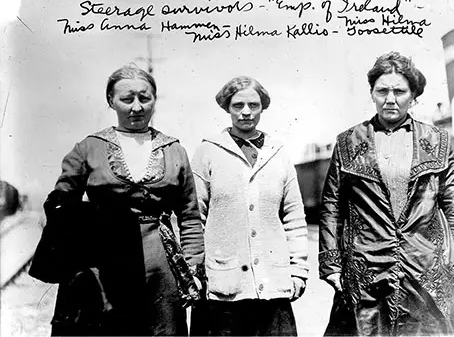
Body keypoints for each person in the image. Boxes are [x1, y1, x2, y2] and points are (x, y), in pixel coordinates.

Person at [29, 65, 205, 336]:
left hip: (160, 264)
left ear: (155, 101)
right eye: (127, 99)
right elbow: (59, 207)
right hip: (102, 261)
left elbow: (190, 215)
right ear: (111, 101)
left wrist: (192, 266)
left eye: (144, 98)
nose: (137, 107)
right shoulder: (89, 147)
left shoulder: (174, 150)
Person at [319, 52, 454, 336]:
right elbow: (332, 206)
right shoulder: (347, 142)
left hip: (425, 267)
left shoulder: (437, 141)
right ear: (372, 94)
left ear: (413, 95)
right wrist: (331, 263)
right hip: (366, 268)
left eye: (400, 91)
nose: (390, 99)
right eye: (382, 91)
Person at [190, 76, 309, 336]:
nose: (246, 112)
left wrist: (298, 270)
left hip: (272, 287)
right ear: (226, 108)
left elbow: (294, 218)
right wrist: (196, 272)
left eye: (253, 105)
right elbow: (194, 218)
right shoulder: (207, 153)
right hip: (222, 288)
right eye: (238, 105)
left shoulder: (278, 154)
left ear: (263, 107)